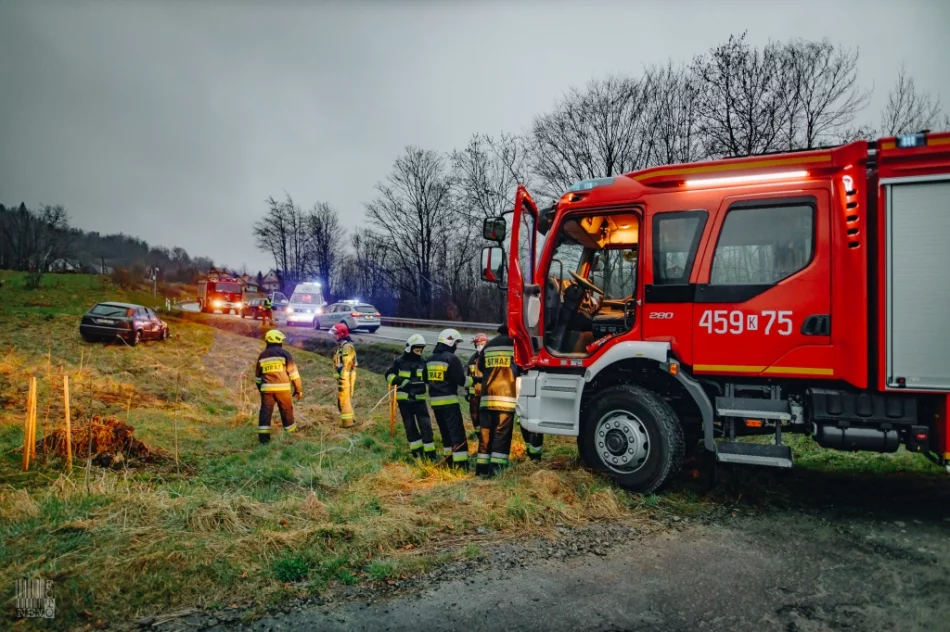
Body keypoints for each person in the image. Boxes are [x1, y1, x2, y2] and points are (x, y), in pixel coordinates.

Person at [477, 324, 543, 476]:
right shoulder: (516, 346)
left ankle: (481, 470)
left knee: (485, 435)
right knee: (501, 435)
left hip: (486, 398)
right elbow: (525, 368)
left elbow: (480, 366)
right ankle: (496, 471)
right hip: (505, 399)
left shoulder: (489, 345)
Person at [426, 328, 473, 470]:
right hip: (450, 404)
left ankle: (449, 462)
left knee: (445, 433)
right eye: (456, 343)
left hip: (435, 404)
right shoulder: (451, 359)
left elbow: (426, 379)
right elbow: (461, 381)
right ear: (450, 341)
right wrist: (475, 380)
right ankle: (461, 465)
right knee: (456, 433)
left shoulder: (429, 360)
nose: (456, 346)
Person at [385, 334, 436, 461]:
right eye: (416, 350)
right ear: (409, 348)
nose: (419, 353)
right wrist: (399, 380)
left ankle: (430, 455)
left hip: (419, 401)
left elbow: (428, 379)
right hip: (404, 402)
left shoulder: (423, 363)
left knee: (426, 427)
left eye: (420, 351)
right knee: (410, 427)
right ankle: (417, 453)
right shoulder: (399, 362)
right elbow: (388, 375)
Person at [254, 329, 301, 444]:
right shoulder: (285, 354)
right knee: (287, 411)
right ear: (279, 340)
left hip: (267, 390)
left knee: (265, 412)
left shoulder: (262, 356)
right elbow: (294, 374)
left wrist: (262, 389)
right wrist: (298, 390)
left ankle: (264, 440)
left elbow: (258, 377)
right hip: (283, 389)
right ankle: (290, 436)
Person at [331, 323, 357, 428]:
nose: (334, 335)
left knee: (343, 399)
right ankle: (351, 420)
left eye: (335, 333)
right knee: (344, 399)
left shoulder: (347, 347)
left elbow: (347, 364)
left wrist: (340, 374)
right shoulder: (342, 345)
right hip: (343, 375)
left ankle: (347, 423)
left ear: (341, 334)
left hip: (345, 376)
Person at [465, 333, 489, 433]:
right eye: (478, 345)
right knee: (475, 416)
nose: (480, 347)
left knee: (486, 416)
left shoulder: (489, 358)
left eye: (482, 344)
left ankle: (487, 434)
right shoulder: (472, 359)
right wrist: (467, 391)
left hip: (486, 393)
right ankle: (478, 435)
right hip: (474, 394)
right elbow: (467, 376)